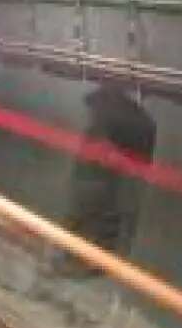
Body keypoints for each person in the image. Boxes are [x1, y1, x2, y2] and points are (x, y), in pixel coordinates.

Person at [53, 82, 157, 277]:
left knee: (91, 222)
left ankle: (83, 263)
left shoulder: (111, 128)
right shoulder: (112, 127)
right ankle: (78, 261)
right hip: (93, 187)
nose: (92, 114)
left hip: (99, 188)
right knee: (84, 221)